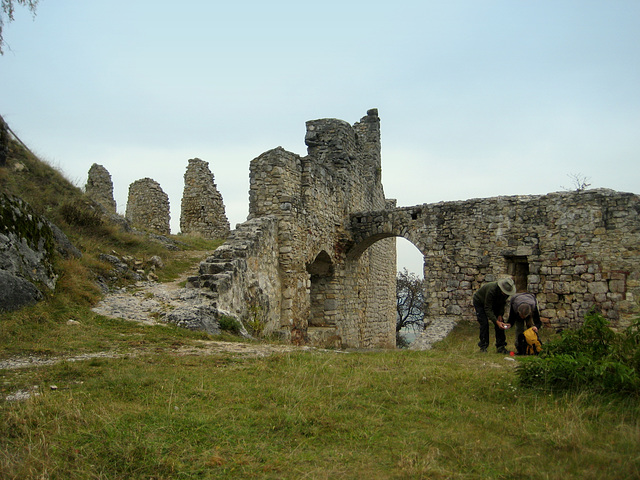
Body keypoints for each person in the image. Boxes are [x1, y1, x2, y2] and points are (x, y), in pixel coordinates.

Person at [472, 277, 516, 353]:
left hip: (495, 304)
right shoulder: (491, 291)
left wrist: (500, 315)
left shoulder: (506, 293)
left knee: (501, 321)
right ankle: (483, 346)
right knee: (484, 323)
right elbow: (487, 308)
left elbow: (502, 304)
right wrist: (496, 321)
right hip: (480, 302)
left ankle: (501, 346)